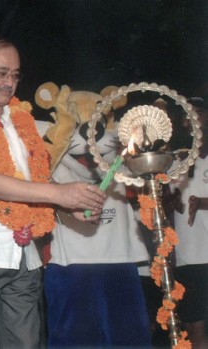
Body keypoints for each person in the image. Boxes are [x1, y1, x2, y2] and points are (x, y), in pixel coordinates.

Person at [0, 37, 105, 349]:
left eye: (15, 75)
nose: (9, 83)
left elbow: (37, 180)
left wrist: (72, 205)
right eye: (1, 73)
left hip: (24, 258)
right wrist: (58, 195)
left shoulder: (22, 120)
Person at [35, 118, 152, 347]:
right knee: (75, 341)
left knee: (128, 340)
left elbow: (147, 179)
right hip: (70, 265)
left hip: (121, 263)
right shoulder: (51, 170)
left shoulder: (122, 168)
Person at [171, 96, 208, 349]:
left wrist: (202, 202)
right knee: (193, 328)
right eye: (187, 114)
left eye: (198, 113)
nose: (191, 119)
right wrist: (169, 199)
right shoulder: (173, 160)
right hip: (188, 257)